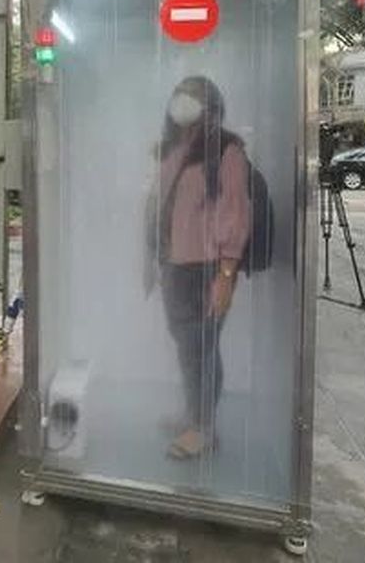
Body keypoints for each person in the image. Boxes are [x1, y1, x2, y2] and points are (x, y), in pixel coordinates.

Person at [144, 76, 251, 460]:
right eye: (181, 95)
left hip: (207, 268)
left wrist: (226, 277)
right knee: (187, 346)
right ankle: (193, 415)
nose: (183, 103)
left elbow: (236, 215)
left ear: (211, 106)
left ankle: (204, 429)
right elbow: (162, 206)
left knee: (202, 348)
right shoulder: (176, 149)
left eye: (194, 97)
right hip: (175, 265)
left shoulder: (227, 150)